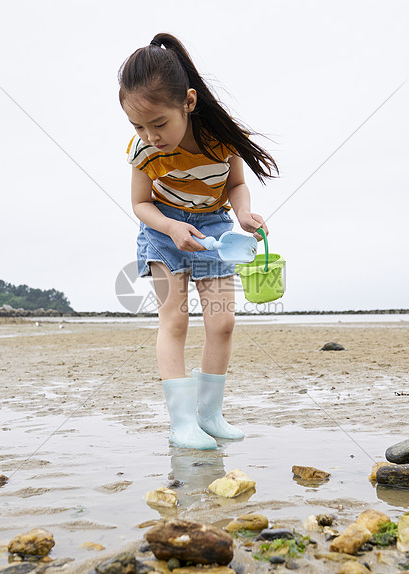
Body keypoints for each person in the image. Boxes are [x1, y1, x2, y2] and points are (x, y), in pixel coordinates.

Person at [118, 33, 278, 449]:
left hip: (213, 229)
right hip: (162, 232)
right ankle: (182, 423)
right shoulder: (143, 151)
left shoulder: (220, 139)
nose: (150, 135)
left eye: (158, 123)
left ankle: (210, 415)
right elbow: (140, 203)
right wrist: (170, 227)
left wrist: (242, 214)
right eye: (138, 125)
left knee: (222, 322)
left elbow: (237, 185)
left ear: (188, 102)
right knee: (174, 320)